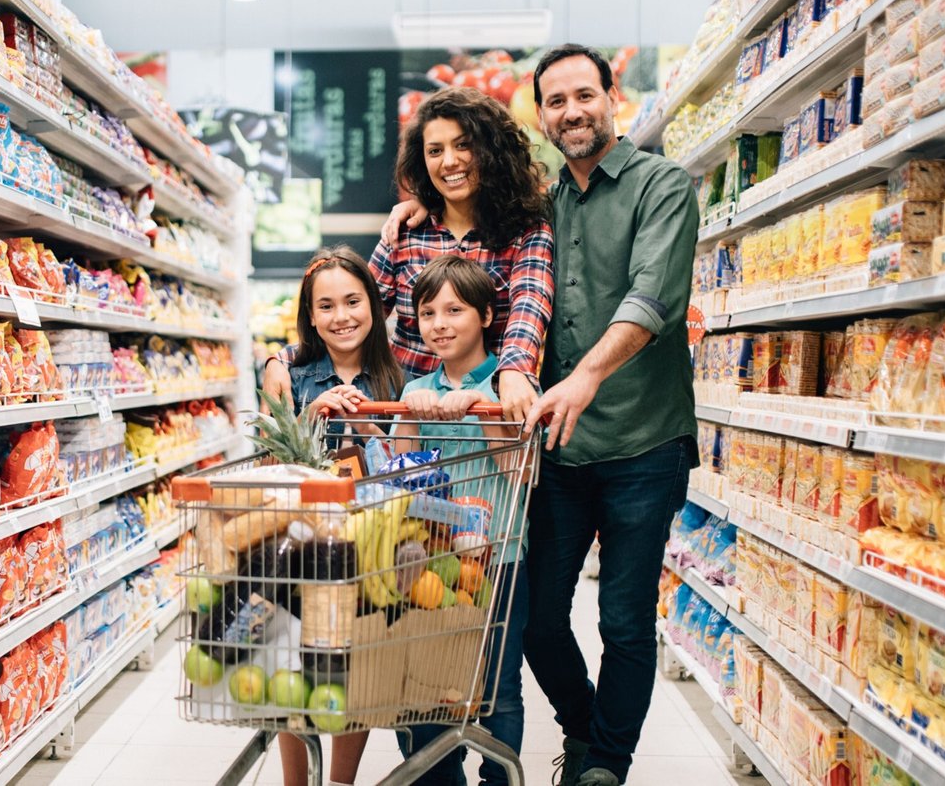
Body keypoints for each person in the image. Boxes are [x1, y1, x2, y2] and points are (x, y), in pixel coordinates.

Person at [379, 45, 699, 786]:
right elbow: (503, 284)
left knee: (621, 620)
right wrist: (419, 207)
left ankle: (604, 766)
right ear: (541, 116)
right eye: (555, 102)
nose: (572, 112)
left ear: (609, 96)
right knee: (540, 622)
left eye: (583, 95)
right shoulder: (537, 208)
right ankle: (585, 729)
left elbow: (652, 296)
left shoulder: (662, 185)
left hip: (642, 440)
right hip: (552, 449)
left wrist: (569, 377)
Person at [263, 87, 555, 424]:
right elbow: (355, 310)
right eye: (435, 150)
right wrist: (281, 359)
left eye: (463, 145)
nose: (449, 161)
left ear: (491, 150)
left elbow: (530, 305)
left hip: (486, 415)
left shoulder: (524, 231)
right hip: (409, 413)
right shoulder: (406, 233)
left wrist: (515, 370)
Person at [390, 255, 530, 786]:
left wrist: (482, 406)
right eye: (428, 313)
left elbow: (520, 474)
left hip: (500, 556)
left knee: (497, 683)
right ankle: (435, 776)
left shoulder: (509, 386)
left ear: (487, 315)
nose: (439, 324)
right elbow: (400, 473)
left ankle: (500, 778)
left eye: (454, 310)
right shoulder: (414, 389)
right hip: (432, 563)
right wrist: (413, 414)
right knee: (426, 678)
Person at [269, 246, 405, 786]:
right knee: (289, 659)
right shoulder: (293, 373)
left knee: (356, 660)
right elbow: (273, 460)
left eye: (353, 301)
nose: (341, 316)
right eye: (325, 306)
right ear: (310, 315)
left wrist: (371, 427)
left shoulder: (395, 378)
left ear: (373, 303)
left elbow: (411, 464)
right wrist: (311, 415)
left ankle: (342, 782)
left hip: (368, 540)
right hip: (298, 538)